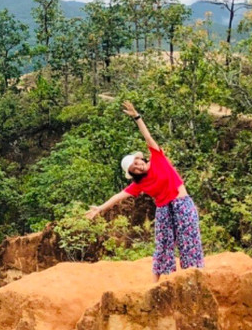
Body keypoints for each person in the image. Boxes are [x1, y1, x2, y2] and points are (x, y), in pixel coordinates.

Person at [85, 101, 204, 281]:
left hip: (181, 203)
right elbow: (119, 196)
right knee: (163, 243)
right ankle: (156, 282)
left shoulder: (157, 158)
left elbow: (148, 137)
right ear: (132, 173)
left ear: (140, 158)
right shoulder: (139, 184)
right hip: (164, 208)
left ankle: (195, 276)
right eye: (134, 168)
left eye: (137, 162)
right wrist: (100, 209)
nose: (138, 166)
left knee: (189, 239)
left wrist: (136, 117)